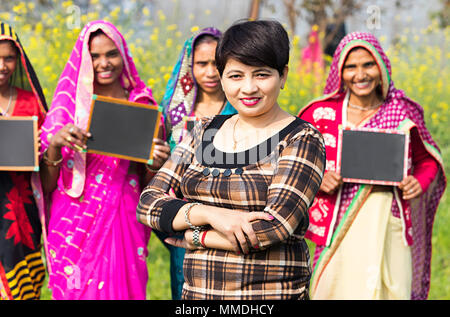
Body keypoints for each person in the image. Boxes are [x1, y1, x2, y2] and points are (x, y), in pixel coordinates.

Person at [137, 20, 326, 300]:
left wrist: (195, 237)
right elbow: (149, 203)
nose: (248, 88)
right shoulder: (204, 130)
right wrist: (210, 214)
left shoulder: (300, 138)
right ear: (222, 77)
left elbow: (273, 226)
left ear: (283, 75)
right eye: (236, 76)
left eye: (261, 75)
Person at [298, 32, 446, 300]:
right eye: (350, 67)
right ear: (340, 71)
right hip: (338, 228)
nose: (360, 74)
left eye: (368, 64)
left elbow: (427, 161)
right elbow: (295, 166)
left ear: (381, 67)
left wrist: (419, 182)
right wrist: (317, 180)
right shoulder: (320, 113)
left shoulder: (403, 112)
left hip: (389, 222)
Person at [36, 20, 170, 300]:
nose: (104, 63)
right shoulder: (68, 107)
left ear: (124, 55)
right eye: (94, 55)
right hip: (72, 219)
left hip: (122, 215)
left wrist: (155, 165)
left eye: (111, 53)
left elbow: (149, 184)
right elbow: (47, 186)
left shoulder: (142, 105)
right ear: (83, 58)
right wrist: (55, 145)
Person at [156, 27, 237, 300]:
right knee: (186, 284)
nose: (211, 72)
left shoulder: (242, 109)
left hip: (230, 214)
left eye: (217, 63)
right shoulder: (173, 112)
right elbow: (159, 165)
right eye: (202, 64)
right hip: (185, 217)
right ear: (190, 67)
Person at [0, 22, 48, 300]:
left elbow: (51, 157)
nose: (2, 65)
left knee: (23, 289)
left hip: (23, 211)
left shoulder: (32, 103)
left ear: (18, 60)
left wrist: (42, 148)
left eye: (8, 57)